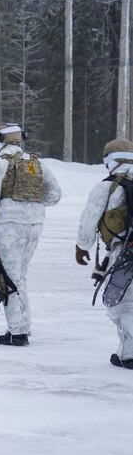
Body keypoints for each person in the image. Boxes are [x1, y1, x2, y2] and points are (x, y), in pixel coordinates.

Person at [0, 123, 61, 346]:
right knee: (20, 276)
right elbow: (55, 194)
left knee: (9, 278)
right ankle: (24, 325)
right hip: (36, 225)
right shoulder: (35, 162)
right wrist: (32, 205)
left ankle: (17, 332)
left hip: (10, 227)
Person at [75, 138, 133, 369]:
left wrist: (82, 246)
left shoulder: (110, 185)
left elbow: (89, 219)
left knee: (121, 306)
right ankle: (127, 353)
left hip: (124, 254)